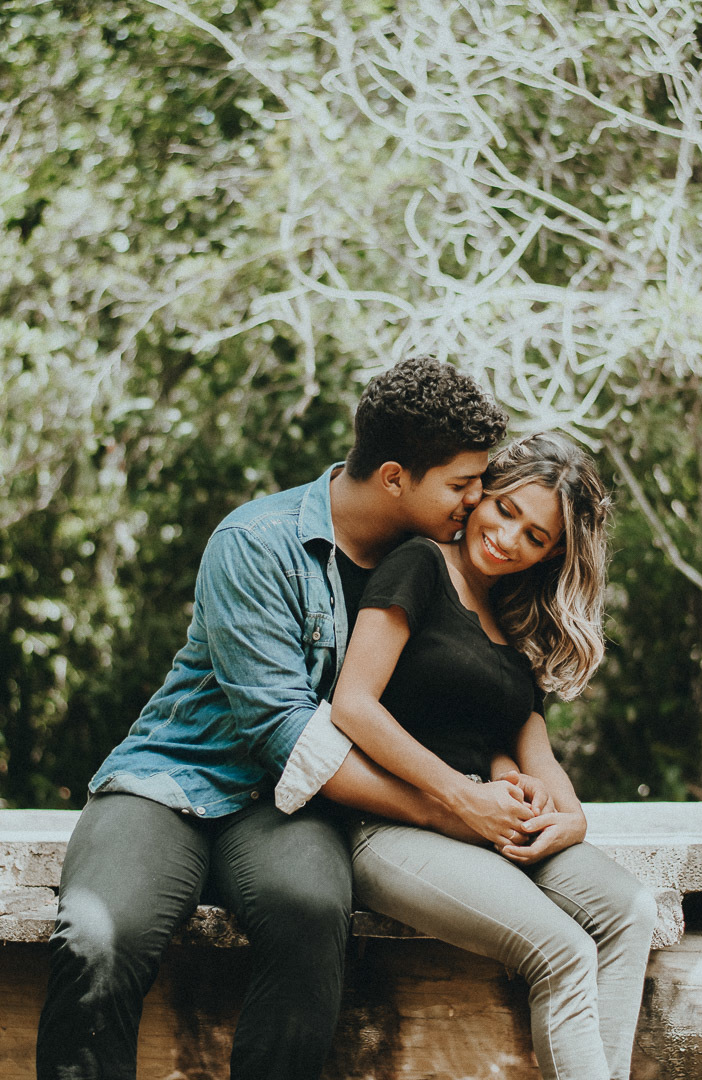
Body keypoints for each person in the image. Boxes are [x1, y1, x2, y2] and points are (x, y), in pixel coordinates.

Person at [36, 356, 513, 1080]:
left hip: (289, 813)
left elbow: (493, 686)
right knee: (98, 937)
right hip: (177, 778)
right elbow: (281, 734)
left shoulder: (444, 564)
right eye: (461, 485)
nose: (478, 501)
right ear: (393, 477)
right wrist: (451, 806)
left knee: (311, 915)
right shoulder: (255, 542)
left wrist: (515, 778)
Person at [329, 432, 658, 1080]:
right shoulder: (419, 566)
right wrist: (463, 793)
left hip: (485, 823)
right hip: (390, 826)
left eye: (535, 537)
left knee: (630, 911)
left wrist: (572, 821)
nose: (509, 539)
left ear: (554, 553)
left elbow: (532, 746)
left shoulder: (513, 618)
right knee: (562, 952)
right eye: (506, 510)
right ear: (484, 492)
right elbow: (353, 706)